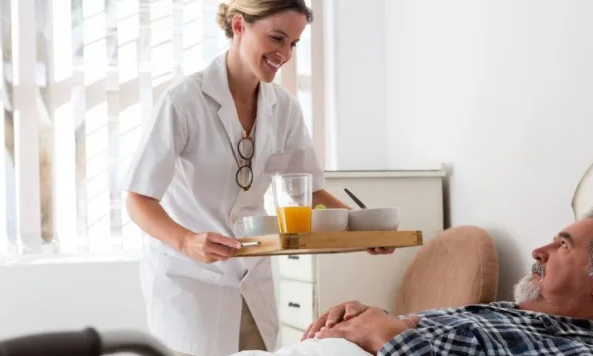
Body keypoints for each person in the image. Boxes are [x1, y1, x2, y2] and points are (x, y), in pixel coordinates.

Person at [121, 1, 393, 355]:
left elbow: (310, 192)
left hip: (251, 277)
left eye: (293, 44)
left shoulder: (285, 108)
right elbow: (138, 198)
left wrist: (363, 229)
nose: (284, 53)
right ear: (238, 27)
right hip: (190, 280)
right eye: (277, 38)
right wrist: (187, 241)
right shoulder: (184, 101)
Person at [231, 206, 593, 356]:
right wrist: (364, 319)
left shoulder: (575, 351)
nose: (538, 252)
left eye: (562, 245)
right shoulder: (506, 313)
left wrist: (386, 336)